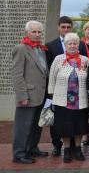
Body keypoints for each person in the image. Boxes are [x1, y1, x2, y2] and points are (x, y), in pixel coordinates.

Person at [45, 16, 87, 156]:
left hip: (80, 98)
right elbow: (52, 77)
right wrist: (51, 96)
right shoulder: (58, 59)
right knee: (64, 125)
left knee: (80, 124)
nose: (73, 46)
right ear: (66, 45)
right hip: (62, 98)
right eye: (70, 44)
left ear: (78, 45)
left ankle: (78, 149)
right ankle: (67, 149)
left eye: (75, 43)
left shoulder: (85, 60)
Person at [11, 21, 49, 164]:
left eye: (39, 32)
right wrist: (22, 95)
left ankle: (32, 148)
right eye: (34, 32)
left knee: (36, 125)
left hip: (41, 95)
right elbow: (17, 74)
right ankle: (19, 154)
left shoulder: (41, 49)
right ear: (27, 33)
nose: (37, 34)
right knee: (23, 126)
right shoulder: (21, 49)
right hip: (27, 95)